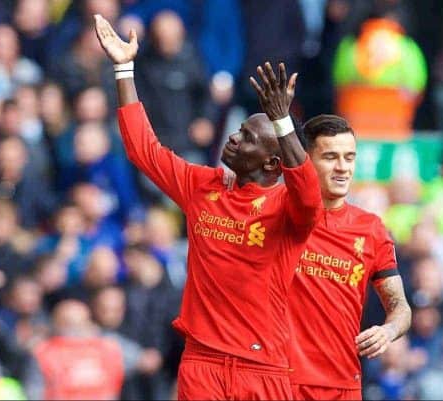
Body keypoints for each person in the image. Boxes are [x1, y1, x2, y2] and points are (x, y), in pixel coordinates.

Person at [94, 14, 322, 400]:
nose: (232, 138)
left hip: (262, 367)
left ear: (272, 163)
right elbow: (143, 150)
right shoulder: (203, 187)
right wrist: (123, 68)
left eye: (247, 138)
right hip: (203, 363)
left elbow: (309, 194)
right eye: (238, 130)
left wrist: (283, 122)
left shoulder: (288, 208)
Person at [285, 115, 412, 400]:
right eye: (330, 157)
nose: (343, 167)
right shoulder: (281, 214)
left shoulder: (372, 229)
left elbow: (401, 309)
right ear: (306, 160)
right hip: (282, 380)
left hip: (343, 383)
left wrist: (388, 331)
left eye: (349, 157)